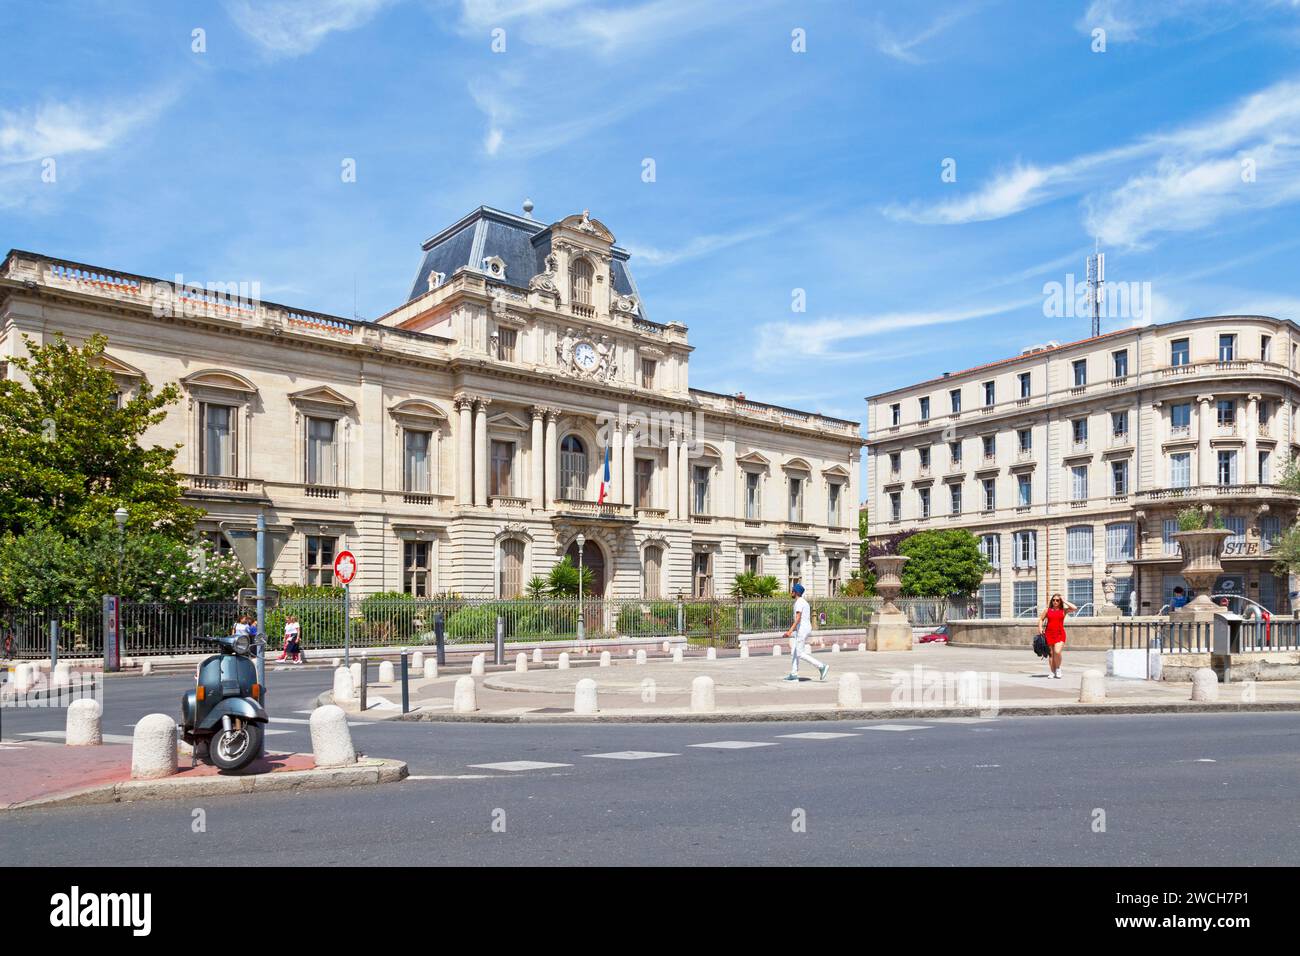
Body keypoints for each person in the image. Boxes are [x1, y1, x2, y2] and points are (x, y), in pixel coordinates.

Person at [782, 583, 828, 683]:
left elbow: (798, 618)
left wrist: (790, 631)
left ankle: (821, 666)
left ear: (796, 592)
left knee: (799, 653)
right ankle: (794, 674)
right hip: (804, 628)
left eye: (792, 590)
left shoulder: (799, 602)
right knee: (794, 651)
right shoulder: (804, 602)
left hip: (802, 629)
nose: (791, 592)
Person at [1037, 594, 1076, 679]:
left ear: (1060, 601)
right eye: (1054, 600)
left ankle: (1058, 669)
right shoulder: (1047, 610)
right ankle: (1052, 671)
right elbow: (1041, 619)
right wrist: (1040, 628)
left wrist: (1064, 600)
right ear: (1052, 601)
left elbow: (1074, 608)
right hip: (1049, 633)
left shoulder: (1063, 610)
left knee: (1057, 652)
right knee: (1051, 654)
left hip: (1060, 634)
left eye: (1057, 600)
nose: (1055, 601)